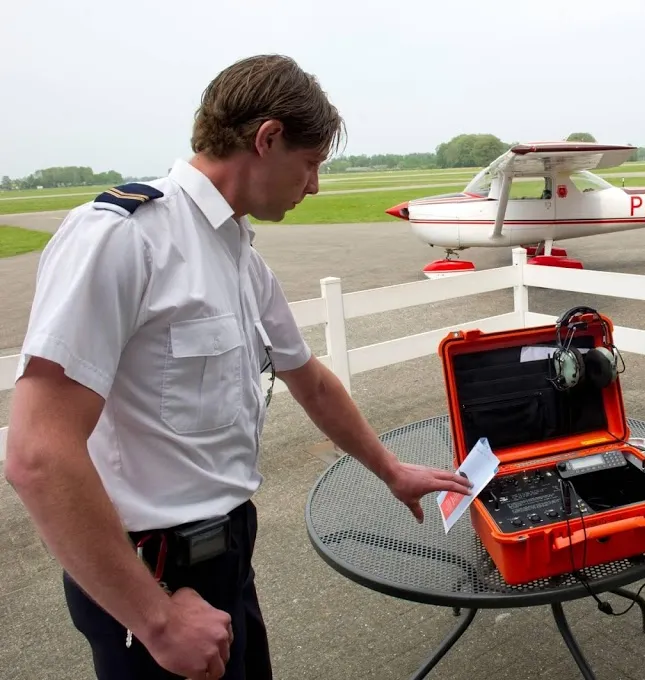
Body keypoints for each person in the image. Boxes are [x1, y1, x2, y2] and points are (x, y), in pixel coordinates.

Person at [3, 54, 472, 680]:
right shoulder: (124, 237)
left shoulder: (238, 256)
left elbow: (310, 380)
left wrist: (390, 471)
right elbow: (39, 454)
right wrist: (158, 619)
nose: (314, 187)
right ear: (267, 138)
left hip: (225, 562)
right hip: (148, 577)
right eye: (309, 165)